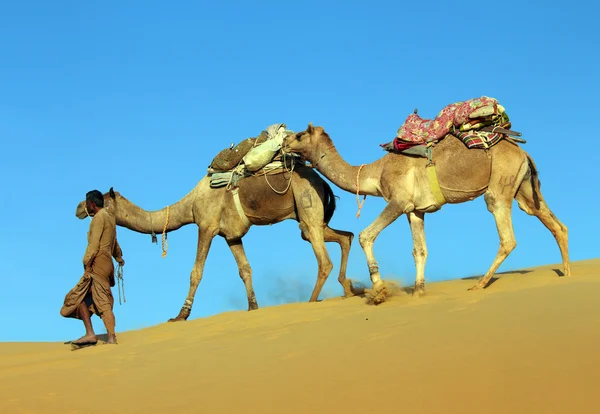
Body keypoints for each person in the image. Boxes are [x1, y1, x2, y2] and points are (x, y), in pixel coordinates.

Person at [60, 189, 125, 346]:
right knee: (79, 298)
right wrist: (118, 256)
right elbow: (114, 242)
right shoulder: (110, 218)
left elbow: (94, 244)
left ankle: (111, 338)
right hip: (107, 262)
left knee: (102, 299)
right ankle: (90, 334)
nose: (86, 207)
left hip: (97, 262)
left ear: (92, 204)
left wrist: (87, 264)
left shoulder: (98, 218)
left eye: (87, 203)